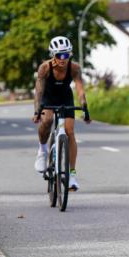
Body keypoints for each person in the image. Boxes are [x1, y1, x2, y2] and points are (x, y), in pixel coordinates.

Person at [32, 36, 91, 191]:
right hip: (48, 97)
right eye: (59, 55)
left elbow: (80, 88)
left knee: (70, 132)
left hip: (65, 97)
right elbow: (39, 91)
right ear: (53, 55)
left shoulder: (74, 68)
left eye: (66, 55)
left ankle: (71, 175)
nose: (63, 59)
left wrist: (84, 106)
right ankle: (42, 150)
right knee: (47, 121)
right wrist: (37, 110)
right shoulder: (45, 68)